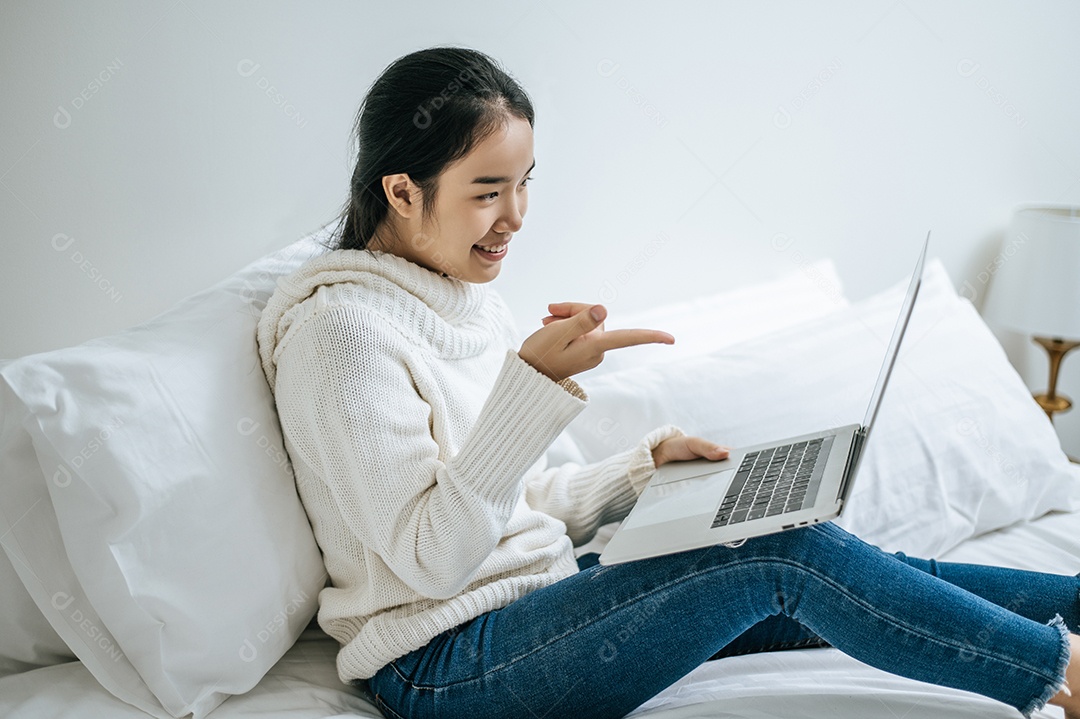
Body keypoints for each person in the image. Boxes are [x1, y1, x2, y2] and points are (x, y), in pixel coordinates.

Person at [256, 45, 1080, 719]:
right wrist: (530, 389)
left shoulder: (467, 302)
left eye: (525, 183)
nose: (515, 217)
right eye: (487, 191)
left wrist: (638, 473)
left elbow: (521, 504)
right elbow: (433, 561)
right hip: (444, 664)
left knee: (840, 556)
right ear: (403, 191)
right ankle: (1061, 673)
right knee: (784, 553)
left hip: (546, 600)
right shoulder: (341, 336)